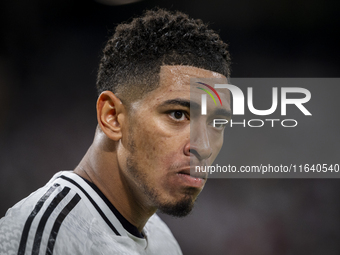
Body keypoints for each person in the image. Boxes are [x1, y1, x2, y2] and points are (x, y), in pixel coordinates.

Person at [0, 8, 231, 254]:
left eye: (217, 123)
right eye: (177, 114)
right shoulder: (47, 238)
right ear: (112, 117)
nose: (204, 147)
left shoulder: (163, 241)